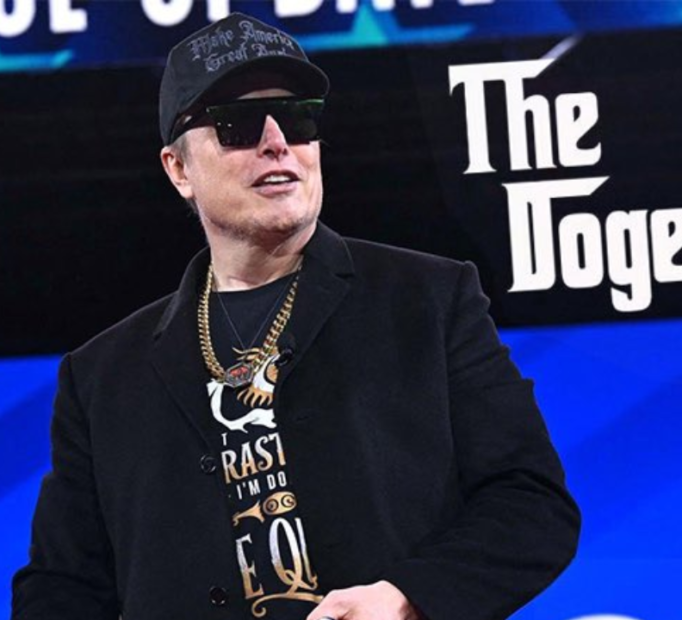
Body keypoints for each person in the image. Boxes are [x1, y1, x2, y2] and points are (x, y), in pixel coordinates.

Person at [11, 12, 580, 620]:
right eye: (237, 125)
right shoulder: (100, 376)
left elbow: (531, 503)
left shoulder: (430, 300)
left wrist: (406, 597)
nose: (277, 140)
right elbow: (61, 587)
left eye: (298, 117)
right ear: (178, 170)